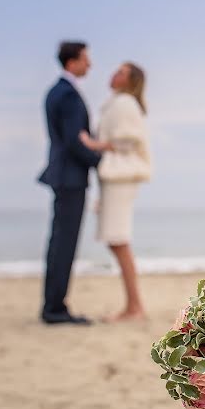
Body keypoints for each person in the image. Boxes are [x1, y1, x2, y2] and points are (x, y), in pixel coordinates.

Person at [38, 41, 108, 325]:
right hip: (70, 177)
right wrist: (101, 160)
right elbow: (73, 141)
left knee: (60, 242)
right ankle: (55, 309)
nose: (89, 64)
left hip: (65, 175)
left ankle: (53, 305)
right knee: (64, 244)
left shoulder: (60, 91)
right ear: (72, 62)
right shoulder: (67, 94)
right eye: (85, 59)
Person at [80, 62, 152, 322]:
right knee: (116, 240)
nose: (113, 74)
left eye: (121, 72)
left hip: (121, 177)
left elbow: (129, 138)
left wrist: (94, 144)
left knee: (119, 239)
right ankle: (133, 305)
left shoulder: (125, 103)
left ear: (130, 80)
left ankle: (135, 307)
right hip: (115, 178)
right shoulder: (118, 103)